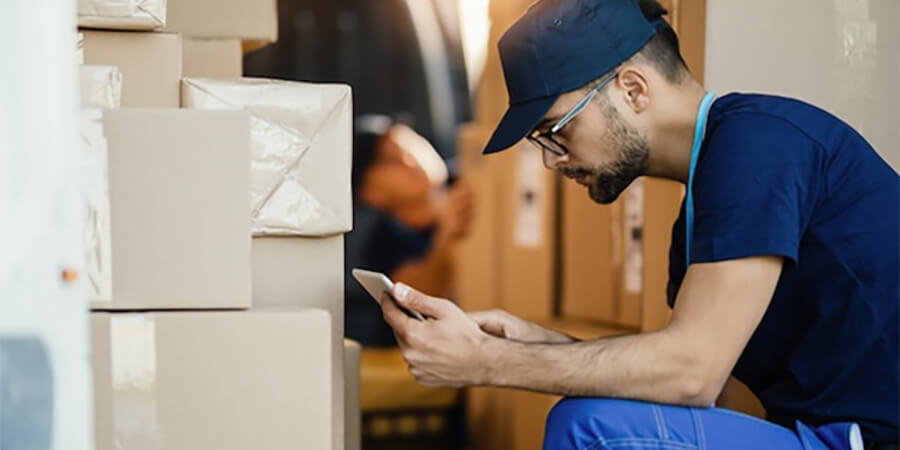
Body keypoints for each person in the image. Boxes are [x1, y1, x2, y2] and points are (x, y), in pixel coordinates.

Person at [374, 1, 900, 449]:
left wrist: (488, 362)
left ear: (633, 89)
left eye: (556, 129)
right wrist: (537, 344)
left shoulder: (758, 146)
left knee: (591, 427)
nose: (552, 161)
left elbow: (693, 373)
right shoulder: (703, 205)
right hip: (824, 434)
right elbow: (695, 385)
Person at [345, 115, 473, 347]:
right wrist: (447, 238)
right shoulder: (382, 245)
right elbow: (420, 299)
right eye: (389, 160)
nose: (409, 158)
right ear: (371, 194)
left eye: (406, 143)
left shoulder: (477, 177)